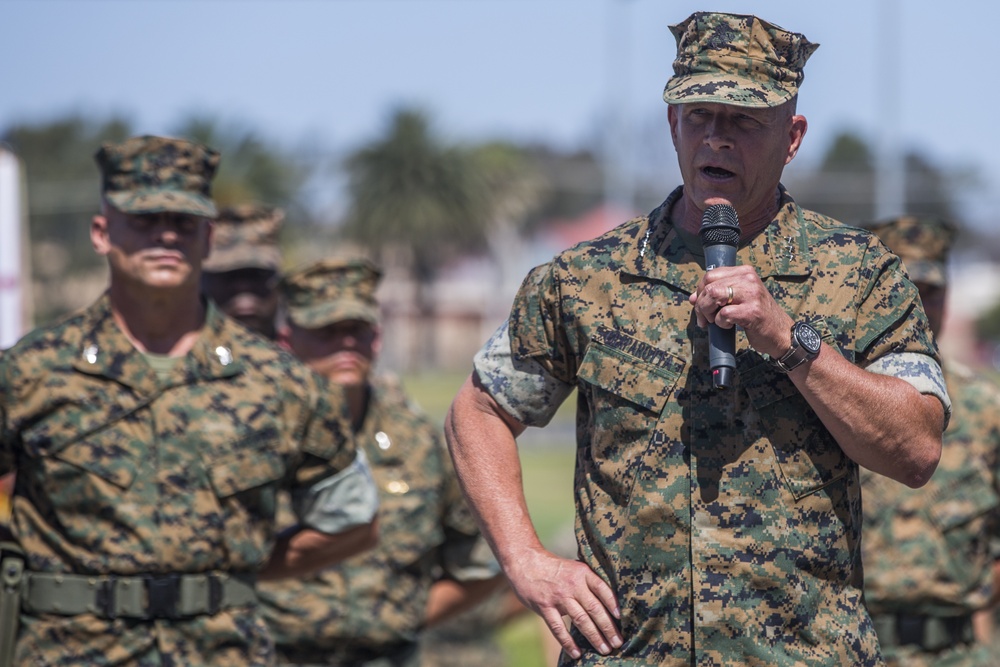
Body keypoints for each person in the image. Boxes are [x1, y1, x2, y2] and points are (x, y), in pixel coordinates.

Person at [444, 12, 948, 666]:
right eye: (698, 114)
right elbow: (477, 411)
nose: (717, 138)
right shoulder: (586, 278)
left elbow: (916, 448)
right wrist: (527, 559)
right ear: (671, 125)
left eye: (743, 121)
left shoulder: (860, 276)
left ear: (792, 137)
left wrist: (789, 339)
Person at [0, 135, 380, 666]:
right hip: (73, 651)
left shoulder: (279, 382)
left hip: (221, 651)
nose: (166, 234)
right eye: (145, 218)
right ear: (101, 232)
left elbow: (353, 520)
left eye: (183, 220)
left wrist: (233, 574)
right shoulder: (29, 372)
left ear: (209, 237)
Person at [257, 258, 506, 667]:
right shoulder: (254, 432)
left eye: (356, 331)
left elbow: (484, 562)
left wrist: (401, 621)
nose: (345, 344)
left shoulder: (415, 438)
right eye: (326, 332)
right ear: (287, 340)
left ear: (376, 339)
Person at [861, 216, 1000, 666]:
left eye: (932, 291)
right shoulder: (838, 403)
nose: (919, 305)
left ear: (949, 296)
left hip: (957, 653)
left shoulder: (988, 407)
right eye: (905, 289)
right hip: (856, 649)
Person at [201, 202, 285, 340]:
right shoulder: (176, 351)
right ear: (202, 281)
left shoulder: (310, 352)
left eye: (257, 274)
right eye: (228, 275)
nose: (243, 286)